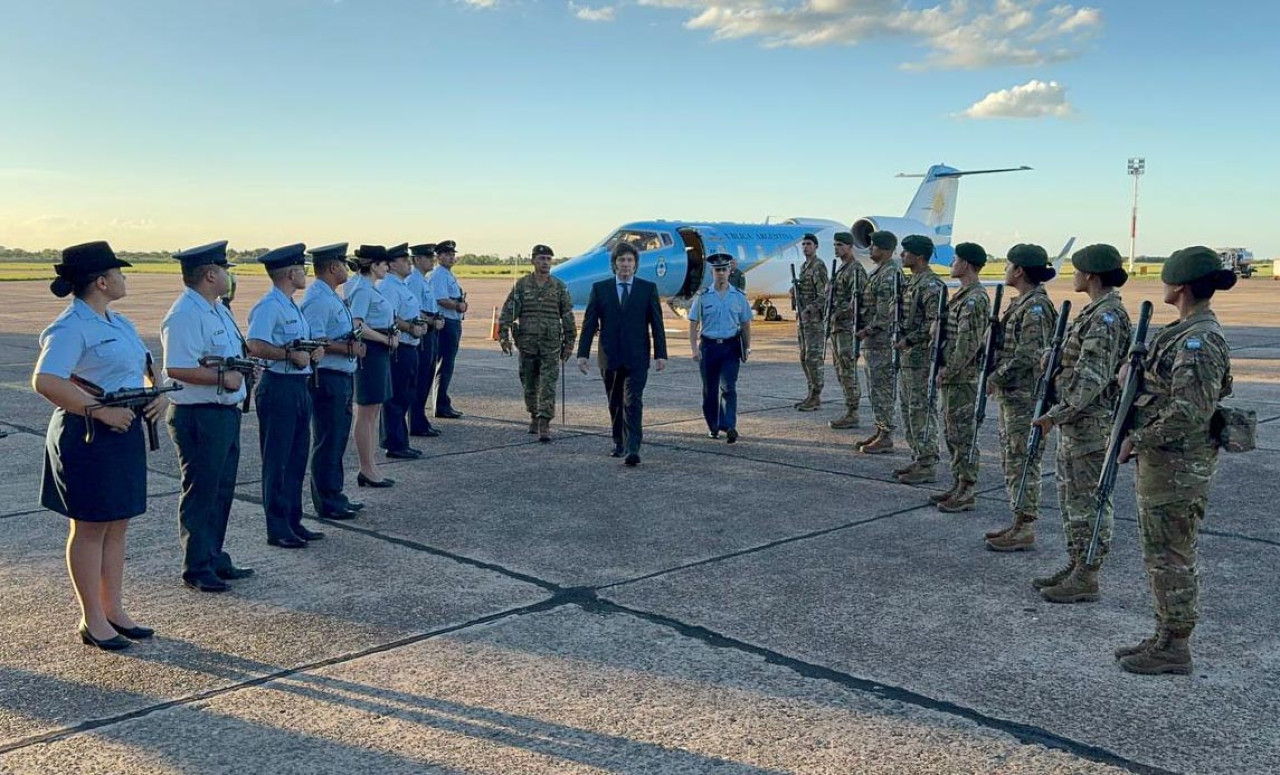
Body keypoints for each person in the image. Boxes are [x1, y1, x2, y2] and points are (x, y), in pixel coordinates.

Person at [34, 241, 165, 649]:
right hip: (87, 434)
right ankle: (92, 618)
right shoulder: (71, 326)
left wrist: (154, 393)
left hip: (123, 430)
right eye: (120, 273)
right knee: (90, 528)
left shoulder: (117, 321)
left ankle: (114, 608)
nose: (125, 278)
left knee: (117, 522)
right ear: (102, 281)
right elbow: (47, 380)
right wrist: (99, 411)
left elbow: (142, 367)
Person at [1114, 246, 1236, 675]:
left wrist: (1138, 439)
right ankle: (1165, 631)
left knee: (1171, 554)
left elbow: (1190, 412)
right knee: (1160, 551)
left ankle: (1175, 645)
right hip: (1166, 463)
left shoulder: (1200, 341)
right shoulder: (1183, 330)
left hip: (1178, 466)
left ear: (1179, 285)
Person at [1029, 244, 1131, 602]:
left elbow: (1091, 378)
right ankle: (1076, 563)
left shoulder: (1107, 318)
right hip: (1077, 425)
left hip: (1091, 426)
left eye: (1076, 271)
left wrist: (1055, 415)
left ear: (1090, 275)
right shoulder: (1093, 312)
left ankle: (1088, 574)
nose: (1072, 276)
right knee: (1071, 500)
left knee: (1089, 502)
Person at [160, 240, 254, 593]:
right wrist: (221, 378)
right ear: (211, 274)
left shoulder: (216, 308)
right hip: (199, 415)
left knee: (221, 489)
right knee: (201, 491)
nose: (230, 276)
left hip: (223, 412)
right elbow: (176, 367)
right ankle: (197, 566)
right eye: (226, 270)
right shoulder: (185, 313)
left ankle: (214, 555)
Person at [246, 243, 326, 549]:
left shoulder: (291, 305)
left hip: (297, 387)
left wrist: (313, 351)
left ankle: (294, 521)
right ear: (290, 272)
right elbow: (254, 344)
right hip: (278, 386)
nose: (304, 273)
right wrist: (287, 355)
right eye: (301, 268)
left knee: (296, 459)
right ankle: (277, 527)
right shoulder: (269, 306)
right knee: (278, 461)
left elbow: (298, 344)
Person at [984, 243, 1058, 551]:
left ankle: (1025, 525)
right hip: (1013, 395)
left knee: (1023, 459)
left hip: (1025, 396)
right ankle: (1018, 519)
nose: (1005, 270)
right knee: (1013, 458)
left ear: (1019, 271)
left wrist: (995, 377)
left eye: (1008, 265)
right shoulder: (1022, 303)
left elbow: (1029, 355)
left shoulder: (1035, 308)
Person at [576, 242, 668, 466]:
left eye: (629, 260)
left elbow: (657, 324)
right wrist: (582, 354)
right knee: (615, 402)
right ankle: (619, 442)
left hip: (637, 356)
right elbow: (589, 324)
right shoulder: (601, 289)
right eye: (621, 260)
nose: (625, 265)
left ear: (635, 265)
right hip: (610, 356)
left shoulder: (648, 289)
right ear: (614, 264)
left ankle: (634, 447)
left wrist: (661, 354)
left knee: (633, 401)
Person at [300, 242, 366, 521]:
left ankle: (335, 494)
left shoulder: (330, 295)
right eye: (342, 263)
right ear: (332, 267)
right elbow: (315, 340)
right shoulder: (318, 298)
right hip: (326, 376)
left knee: (337, 438)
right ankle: (326, 500)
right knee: (328, 439)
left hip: (341, 375)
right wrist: (347, 348)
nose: (346, 269)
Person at [933, 242, 991, 512]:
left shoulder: (975, 298)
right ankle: (958, 483)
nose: (952, 264)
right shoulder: (963, 294)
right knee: (952, 432)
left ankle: (967, 488)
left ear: (966, 264)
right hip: (953, 376)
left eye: (955, 259)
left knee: (963, 434)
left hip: (962, 377)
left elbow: (968, 343)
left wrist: (949, 369)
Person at [497, 244, 576, 442]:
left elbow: (567, 315)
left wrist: (569, 342)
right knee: (529, 382)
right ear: (533, 261)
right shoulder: (523, 285)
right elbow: (508, 312)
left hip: (551, 344)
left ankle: (544, 422)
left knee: (548, 383)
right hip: (527, 343)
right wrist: (504, 336)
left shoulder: (558, 287)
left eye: (549, 259)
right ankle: (533, 413)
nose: (545, 263)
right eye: (541, 259)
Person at [893, 235, 946, 484]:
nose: (902, 256)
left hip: (921, 357)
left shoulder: (931, 285)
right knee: (908, 409)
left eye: (906, 252)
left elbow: (935, 322)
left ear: (920, 256)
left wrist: (911, 339)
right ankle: (918, 456)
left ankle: (927, 463)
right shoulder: (911, 282)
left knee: (921, 410)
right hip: (908, 358)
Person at [344, 245, 398, 487]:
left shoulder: (367, 287)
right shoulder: (363, 290)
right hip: (371, 352)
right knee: (366, 413)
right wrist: (384, 339)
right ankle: (366, 467)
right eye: (384, 263)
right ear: (374, 265)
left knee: (373, 411)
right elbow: (357, 325)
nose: (387, 267)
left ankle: (371, 466)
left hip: (379, 350)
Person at [687, 253, 753, 443]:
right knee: (710, 390)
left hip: (730, 347)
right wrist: (694, 349)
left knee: (729, 387)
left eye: (724, 269)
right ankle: (714, 426)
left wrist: (746, 348)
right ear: (712, 272)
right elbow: (693, 323)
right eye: (717, 270)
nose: (721, 273)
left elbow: (746, 324)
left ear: (729, 271)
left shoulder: (739, 296)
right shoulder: (703, 297)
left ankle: (729, 425)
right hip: (708, 348)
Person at [855, 230, 904, 454]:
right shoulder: (880, 271)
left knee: (882, 387)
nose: (870, 249)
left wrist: (869, 329)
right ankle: (880, 428)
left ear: (884, 249)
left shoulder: (889, 273)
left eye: (873, 246)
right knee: (875, 387)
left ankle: (886, 435)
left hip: (881, 341)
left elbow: (886, 311)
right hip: (874, 341)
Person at [378, 243, 429, 459]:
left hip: (411, 346)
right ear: (391, 265)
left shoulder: (401, 285)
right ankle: (395, 443)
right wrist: (410, 327)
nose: (408, 262)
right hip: (400, 349)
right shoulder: (389, 287)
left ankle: (401, 441)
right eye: (403, 259)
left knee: (406, 394)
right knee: (396, 397)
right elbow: (390, 318)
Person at [829, 233, 868, 429]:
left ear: (850, 247)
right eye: (835, 245)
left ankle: (853, 412)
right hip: (837, 328)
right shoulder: (841, 269)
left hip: (847, 328)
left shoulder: (855, 270)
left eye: (840, 245)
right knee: (840, 369)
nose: (836, 248)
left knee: (847, 369)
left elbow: (858, 302)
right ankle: (849, 408)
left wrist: (839, 313)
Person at [406, 244, 443, 438]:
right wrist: (431, 321)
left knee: (427, 376)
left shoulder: (424, 280)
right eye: (428, 257)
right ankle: (416, 421)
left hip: (430, 330)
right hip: (423, 332)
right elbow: (415, 311)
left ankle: (420, 419)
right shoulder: (414, 280)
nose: (432, 260)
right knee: (420, 379)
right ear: (417, 259)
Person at [428, 239, 466, 419]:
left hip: (453, 322)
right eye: (447, 254)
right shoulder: (439, 275)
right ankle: (440, 405)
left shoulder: (447, 274)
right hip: (447, 323)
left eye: (452, 254)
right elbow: (441, 299)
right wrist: (458, 306)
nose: (451, 257)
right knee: (445, 365)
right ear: (438, 256)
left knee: (447, 365)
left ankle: (442, 402)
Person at [793, 233, 828, 411]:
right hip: (804, 320)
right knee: (804, 357)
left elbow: (824, 295)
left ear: (815, 246)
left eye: (809, 244)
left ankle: (816, 395)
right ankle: (811, 394)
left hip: (814, 320)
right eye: (804, 244)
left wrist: (810, 309)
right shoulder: (804, 267)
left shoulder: (818, 266)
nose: (805, 247)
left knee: (813, 358)